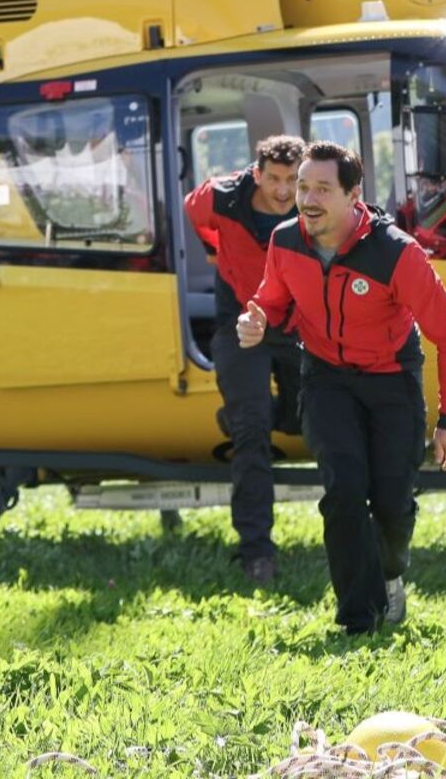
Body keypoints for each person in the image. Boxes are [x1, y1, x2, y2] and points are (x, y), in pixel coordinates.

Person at [238, 141, 446, 634]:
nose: (308, 199)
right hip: (325, 378)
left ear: (353, 195)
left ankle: (390, 573)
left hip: (392, 379)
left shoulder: (396, 253)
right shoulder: (285, 241)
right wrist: (255, 320)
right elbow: (271, 299)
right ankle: (358, 620)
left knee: (391, 503)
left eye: (322, 189)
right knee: (343, 490)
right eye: (303, 187)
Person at [183, 134, 306, 583]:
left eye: (292, 180)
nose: (283, 190)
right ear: (257, 174)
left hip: (294, 323)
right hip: (239, 320)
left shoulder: (314, 204)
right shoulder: (221, 198)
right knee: (252, 432)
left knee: (304, 417)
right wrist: (219, 250)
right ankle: (257, 551)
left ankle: (240, 414)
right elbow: (194, 214)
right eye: (273, 179)